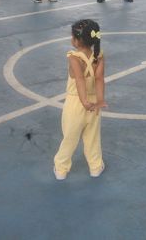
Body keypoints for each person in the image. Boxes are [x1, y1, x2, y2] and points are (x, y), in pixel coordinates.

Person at [53, 19, 107, 180]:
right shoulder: (99, 56)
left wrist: (84, 102)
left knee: (70, 137)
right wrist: (100, 100)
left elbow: (79, 80)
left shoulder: (74, 57)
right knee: (92, 137)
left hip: (76, 103)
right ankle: (95, 167)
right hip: (94, 104)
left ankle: (61, 169)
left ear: (76, 40)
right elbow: (99, 79)